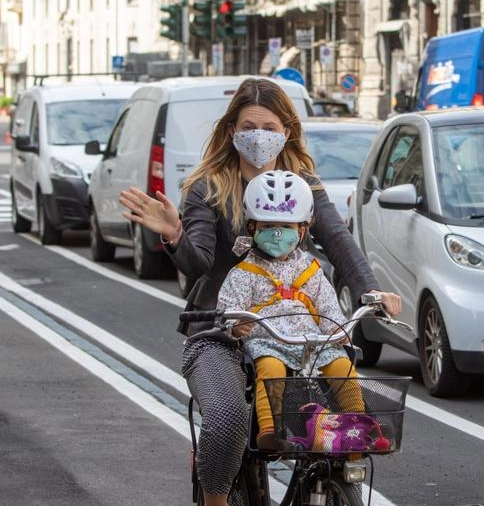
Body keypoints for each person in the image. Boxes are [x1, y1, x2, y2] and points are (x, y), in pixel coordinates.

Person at [118, 77, 401, 506]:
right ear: (232, 131)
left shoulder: (302, 185)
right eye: (250, 126)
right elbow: (196, 264)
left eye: (269, 127)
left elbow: (341, 245)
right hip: (220, 331)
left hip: (295, 332)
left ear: (286, 131)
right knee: (228, 419)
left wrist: (373, 293)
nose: (260, 136)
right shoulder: (208, 187)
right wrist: (174, 233)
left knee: (341, 422)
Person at [217, 170, 365, 452]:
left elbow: (327, 306)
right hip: (267, 342)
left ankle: (356, 426)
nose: (277, 233)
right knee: (270, 368)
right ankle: (270, 431)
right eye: (268, 225)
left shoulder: (310, 269)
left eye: (287, 226)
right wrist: (236, 324)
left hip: (311, 343)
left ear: (302, 230)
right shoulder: (244, 271)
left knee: (342, 366)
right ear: (252, 227)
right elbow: (229, 306)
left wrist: (338, 330)